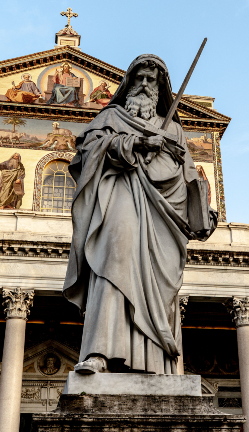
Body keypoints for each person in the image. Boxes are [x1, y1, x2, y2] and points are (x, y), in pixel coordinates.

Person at [64, 54, 217, 375]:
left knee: (161, 289)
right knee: (112, 261)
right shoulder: (112, 117)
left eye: (152, 81)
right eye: (140, 79)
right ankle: (99, 353)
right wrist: (133, 143)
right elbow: (87, 153)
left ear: (161, 89)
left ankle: (157, 365)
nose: (145, 85)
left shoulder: (173, 130)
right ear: (129, 84)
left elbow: (190, 177)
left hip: (163, 217)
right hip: (119, 199)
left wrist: (201, 213)